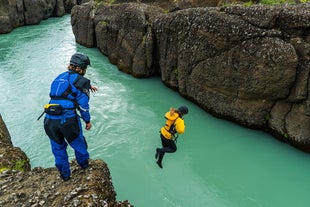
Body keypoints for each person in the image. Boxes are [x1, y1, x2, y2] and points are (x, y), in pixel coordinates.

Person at [43, 52, 97, 181]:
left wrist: (88, 86)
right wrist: (87, 121)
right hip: (67, 120)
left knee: (58, 148)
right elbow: (83, 107)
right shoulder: (81, 81)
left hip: (49, 119)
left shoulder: (59, 77)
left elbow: (65, 90)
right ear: (82, 68)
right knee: (79, 143)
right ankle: (85, 167)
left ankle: (65, 176)